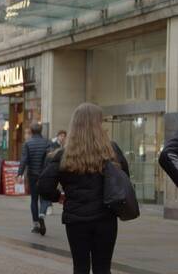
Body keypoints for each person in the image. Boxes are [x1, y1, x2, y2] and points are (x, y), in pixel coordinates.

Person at [38, 103, 129, 274]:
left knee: (80, 267)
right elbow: (124, 179)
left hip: (76, 219)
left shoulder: (64, 154)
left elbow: (43, 185)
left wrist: (58, 197)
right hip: (105, 218)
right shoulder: (112, 150)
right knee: (103, 268)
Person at [16, 122, 52, 236]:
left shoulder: (28, 143)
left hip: (32, 175)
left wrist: (19, 174)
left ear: (31, 131)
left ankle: (36, 224)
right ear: (41, 131)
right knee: (45, 197)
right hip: (45, 175)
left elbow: (24, 160)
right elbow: (50, 159)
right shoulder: (47, 142)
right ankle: (42, 214)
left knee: (34, 199)